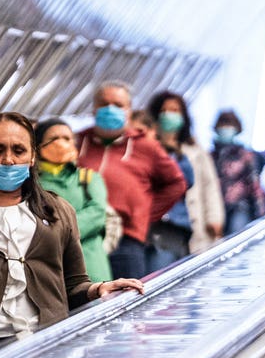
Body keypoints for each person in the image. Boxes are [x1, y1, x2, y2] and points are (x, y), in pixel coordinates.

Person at [0, 112, 144, 358]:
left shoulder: (59, 211)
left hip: (44, 344)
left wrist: (99, 289)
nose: (8, 160)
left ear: (32, 157)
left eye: (18, 150)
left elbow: (73, 283)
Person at [76, 81, 187, 280]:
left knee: (125, 302)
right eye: (104, 103)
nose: (110, 109)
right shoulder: (77, 142)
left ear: (129, 110)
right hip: (81, 238)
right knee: (82, 304)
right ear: (93, 109)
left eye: (118, 105)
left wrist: (144, 212)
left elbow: (176, 183)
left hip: (125, 240)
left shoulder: (145, 146)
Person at [34, 117, 113, 283]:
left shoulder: (87, 178)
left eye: (68, 138)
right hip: (54, 271)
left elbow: (97, 213)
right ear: (39, 146)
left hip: (92, 267)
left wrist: (60, 233)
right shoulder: (33, 184)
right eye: (54, 138)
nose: (63, 143)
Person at [147, 90, 225, 255]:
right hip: (158, 226)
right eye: (164, 111)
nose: (169, 115)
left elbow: (209, 186)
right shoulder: (147, 147)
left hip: (190, 222)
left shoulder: (195, 151)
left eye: (175, 110)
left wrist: (214, 218)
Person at [132, 105, 196, 273]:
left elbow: (184, 184)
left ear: (153, 132)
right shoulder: (126, 158)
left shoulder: (172, 157)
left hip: (167, 231)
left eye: (140, 132)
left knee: (157, 279)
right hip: (138, 234)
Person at [211, 110, 265, 235]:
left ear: (236, 128)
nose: (226, 128)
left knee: (235, 236)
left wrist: (261, 212)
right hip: (215, 209)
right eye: (223, 125)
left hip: (239, 208)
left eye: (229, 125)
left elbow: (255, 184)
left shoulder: (245, 156)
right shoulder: (210, 157)